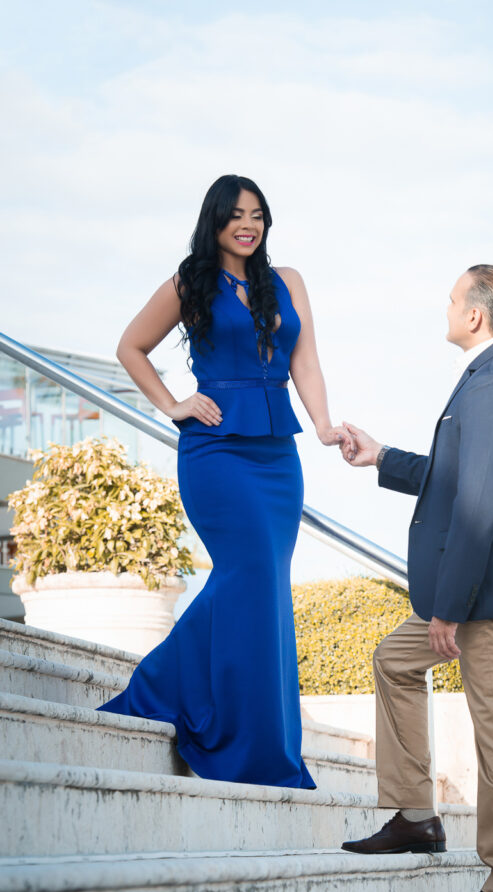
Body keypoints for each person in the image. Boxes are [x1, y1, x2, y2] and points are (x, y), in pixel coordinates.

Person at [98, 174, 354, 788]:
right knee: (250, 578)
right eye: (237, 214)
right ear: (214, 219)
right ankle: (248, 744)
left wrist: (322, 426)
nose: (249, 224)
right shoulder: (189, 282)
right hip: (214, 451)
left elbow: (306, 360)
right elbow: (130, 347)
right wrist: (174, 404)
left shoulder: (288, 281)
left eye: (258, 215)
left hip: (276, 456)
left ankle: (207, 707)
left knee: (263, 588)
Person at [340, 265, 493, 892]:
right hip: (481, 592)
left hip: (487, 598)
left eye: (450, 299)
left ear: (475, 316)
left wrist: (449, 607)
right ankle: (415, 815)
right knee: (395, 660)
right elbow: (456, 477)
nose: (443, 307)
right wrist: (382, 457)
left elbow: (479, 505)